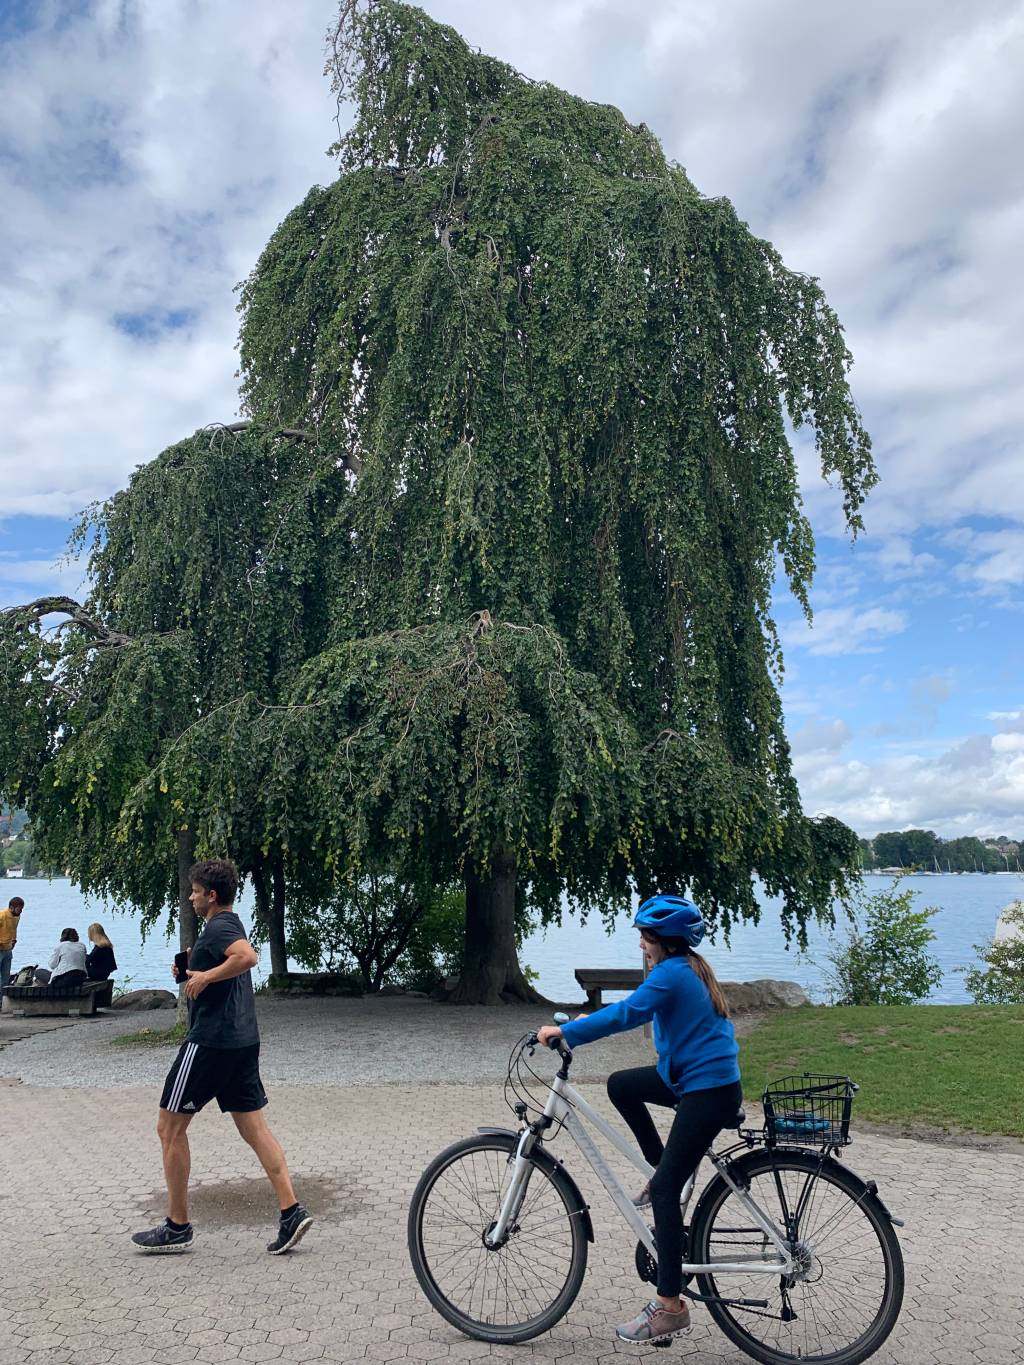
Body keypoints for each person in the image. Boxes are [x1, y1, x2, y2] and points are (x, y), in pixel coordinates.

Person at [537, 894, 741, 1346]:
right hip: (695, 1081)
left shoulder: (670, 975)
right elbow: (629, 1008)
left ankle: (669, 1308)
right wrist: (589, 1019)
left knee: (668, 1191)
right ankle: (662, 1169)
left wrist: (565, 1031)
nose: (642, 945)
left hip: (706, 1092)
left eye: (645, 938)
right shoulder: (683, 969)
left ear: (662, 942)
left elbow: (629, 1014)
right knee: (622, 1085)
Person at [131, 858, 312, 1256]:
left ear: (211, 895)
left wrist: (205, 976)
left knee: (169, 1129)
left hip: (211, 1043)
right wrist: (191, 966)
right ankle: (291, 1211)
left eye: (195, 891)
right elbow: (223, 955)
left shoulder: (221, 926)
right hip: (243, 1040)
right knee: (254, 1130)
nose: (191, 896)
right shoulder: (226, 924)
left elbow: (246, 957)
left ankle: (177, 1226)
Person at [0, 895, 25, 998]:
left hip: (8, 949)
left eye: (22, 909)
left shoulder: (17, 916)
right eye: (19, 909)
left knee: (6, 978)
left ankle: (3, 1001)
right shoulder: (2, 916)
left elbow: (14, 929)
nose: (21, 911)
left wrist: (14, 941)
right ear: (11, 907)